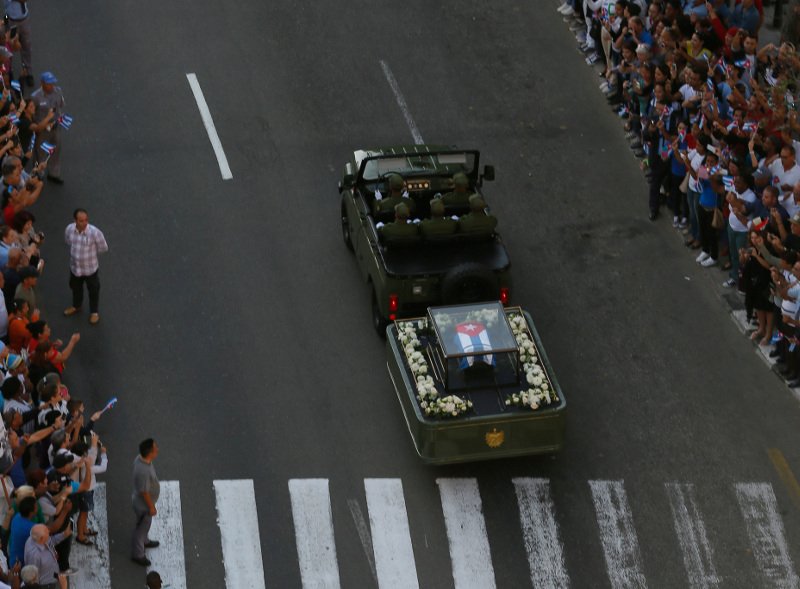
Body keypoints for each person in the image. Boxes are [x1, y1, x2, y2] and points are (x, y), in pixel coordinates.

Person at [63, 209, 108, 325]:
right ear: (75, 221)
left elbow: (103, 247)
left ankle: (94, 312)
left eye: (86, 220)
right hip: (75, 268)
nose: (84, 223)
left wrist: (90, 255)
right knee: (75, 288)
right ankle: (76, 306)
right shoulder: (69, 229)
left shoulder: (94, 232)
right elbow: (68, 241)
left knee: (93, 290)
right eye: (81, 221)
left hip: (90, 270)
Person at [30, 72, 64, 184]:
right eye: (49, 83)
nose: (51, 86)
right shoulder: (35, 97)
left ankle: (54, 173)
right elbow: (31, 114)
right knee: (40, 152)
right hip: (43, 130)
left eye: (53, 83)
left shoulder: (58, 91)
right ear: (42, 83)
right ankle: (38, 174)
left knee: (56, 149)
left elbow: (61, 105)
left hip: (55, 127)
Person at [131, 438, 160, 567]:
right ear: (150, 453)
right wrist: (151, 507)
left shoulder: (140, 459)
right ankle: (138, 554)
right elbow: (144, 492)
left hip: (139, 502)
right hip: (143, 505)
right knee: (141, 528)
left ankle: (145, 540)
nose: (157, 449)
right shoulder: (144, 471)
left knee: (143, 526)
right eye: (155, 448)